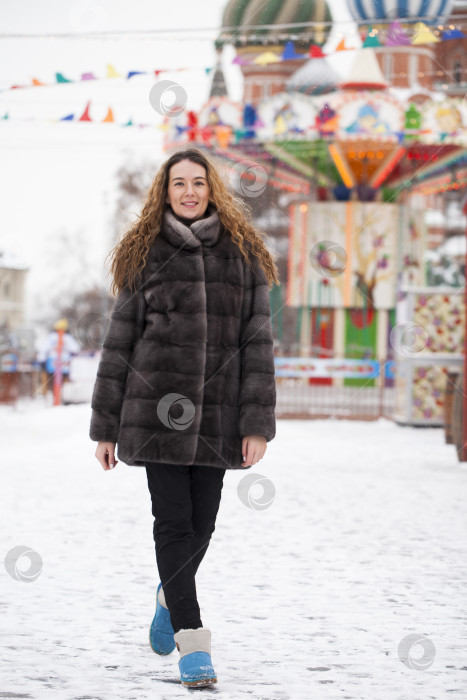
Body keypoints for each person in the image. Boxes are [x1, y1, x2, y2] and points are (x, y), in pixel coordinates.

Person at [89, 147, 278, 688]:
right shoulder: (144, 254)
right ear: (164, 192)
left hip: (219, 420)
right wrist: (105, 427)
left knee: (202, 526)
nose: (189, 191)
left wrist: (256, 423)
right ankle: (193, 643)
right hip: (154, 416)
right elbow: (118, 343)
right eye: (179, 184)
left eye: (199, 182)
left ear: (212, 190)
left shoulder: (245, 258)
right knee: (171, 522)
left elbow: (257, 346)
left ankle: (169, 597)